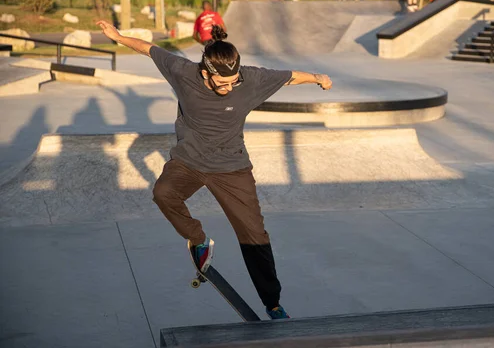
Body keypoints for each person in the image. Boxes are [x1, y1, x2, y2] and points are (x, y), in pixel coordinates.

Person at [95, 21, 333, 320]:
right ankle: (198, 239)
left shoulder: (251, 79)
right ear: (206, 73)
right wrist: (117, 38)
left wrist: (317, 78)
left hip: (232, 168)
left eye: (234, 81)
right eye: (223, 83)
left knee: (254, 236)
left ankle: (272, 303)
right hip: (189, 163)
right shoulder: (183, 72)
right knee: (163, 193)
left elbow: (289, 77)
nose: (230, 87)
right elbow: (148, 49)